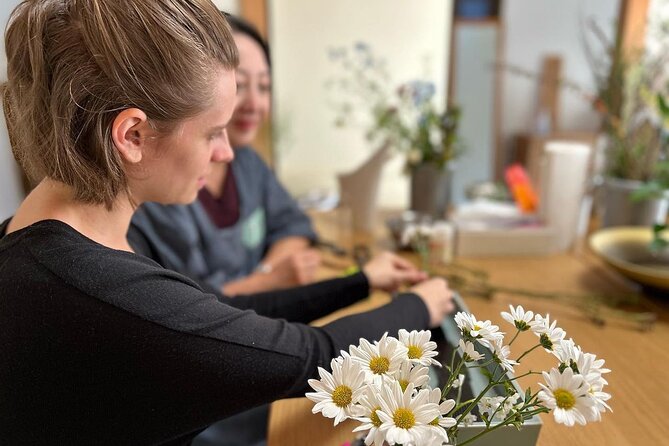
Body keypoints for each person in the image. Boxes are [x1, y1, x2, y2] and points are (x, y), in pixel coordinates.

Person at [0, 1, 455, 445]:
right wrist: (420, 305)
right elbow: (314, 356)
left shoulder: (35, 243)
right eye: (212, 132)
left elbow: (213, 314)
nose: (226, 153)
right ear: (133, 135)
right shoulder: (107, 290)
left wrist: (359, 282)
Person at [129, 15, 321, 296]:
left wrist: (265, 276)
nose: (254, 104)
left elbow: (294, 225)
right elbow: (189, 303)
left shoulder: (248, 163)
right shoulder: (165, 183)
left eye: (264, 87)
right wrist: (268, 282)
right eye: (239, 85)